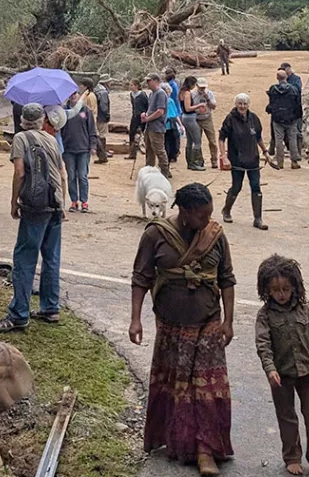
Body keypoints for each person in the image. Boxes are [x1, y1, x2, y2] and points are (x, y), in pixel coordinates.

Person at [129, 183, 236, 476]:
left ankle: (205, 451)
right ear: (185, 213)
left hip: (208, 324)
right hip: (171, 328)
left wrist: (228, 321)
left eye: (209, 214)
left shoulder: (215, 236)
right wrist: (135, 319)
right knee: (178, 388)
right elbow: (141, 277)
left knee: (206, 390)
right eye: (202, 216)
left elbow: (226, 278)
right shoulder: (155, 235)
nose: (207, 221)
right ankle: (177, 442)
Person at [254, 255, 309, 477]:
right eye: (275, 290)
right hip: (281, 376)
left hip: (307, 373)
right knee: (287, 417)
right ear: (267, 290)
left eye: (285, 288)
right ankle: (292, 457)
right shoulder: (265, 315)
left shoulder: (305, 311)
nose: (281, 294)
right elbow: (263, 345)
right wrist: (270, 369)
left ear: (295, 286)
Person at [0, 103, 67, 333]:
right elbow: (62, 172)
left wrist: (14, 202)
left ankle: (19, 313)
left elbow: (20, 172)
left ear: (23, 120)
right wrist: (64, 202)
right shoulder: (51, 139)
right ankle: (50, 307)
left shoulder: (21, 139)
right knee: (51, 256)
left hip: (35, 206)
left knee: (24, 257)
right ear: (42, 119)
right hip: (54, 201)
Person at [219, 93, 270, 230]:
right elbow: (222, 138)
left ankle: (258, 219)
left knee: (256, 187)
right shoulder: (230, 119)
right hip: (236, 160)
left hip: (253, 159)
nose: (242, 106)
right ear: (236, 105)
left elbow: (258, 138)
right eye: (240, 103)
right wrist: (224, 156)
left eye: (245, 104)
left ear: (248, 105)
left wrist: (266, 152)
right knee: (237, 186)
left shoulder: (254, 118)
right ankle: (227, 210)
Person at [61, 91, 97, 213]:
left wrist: (93, 146)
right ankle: (74, 201)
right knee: (71, 176)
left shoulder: (86, 110)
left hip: (83, 148)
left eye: (75, 93)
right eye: (70, 93)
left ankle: (84, 201)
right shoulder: (63, 111)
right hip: (68, 148)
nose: (73, 95)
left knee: (82, 176)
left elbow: (92, 129)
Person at [266, 70, 303, 170]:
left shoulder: (273, 89)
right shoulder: (294, 89)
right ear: (286, 77)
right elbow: (298, 104)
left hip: (278, 118)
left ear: (277, 78)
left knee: (279, 140)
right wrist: (298, 116)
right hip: (291, 118)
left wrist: (271, 111)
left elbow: (271, 103)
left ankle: (280, 162)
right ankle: (294, 161)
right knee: (292, 139)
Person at [142, 74, 171, 178]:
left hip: (157, 127)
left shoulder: (160, 94)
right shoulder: (152, 94)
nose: (147, 83)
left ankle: (165, 172)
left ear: (155, 81)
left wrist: (148, 118)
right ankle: (149, 171)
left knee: (159, 150)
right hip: (149, 127)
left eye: (149, 81)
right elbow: (151, 110)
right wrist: (145, 114)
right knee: (149, 150)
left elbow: (160, 111)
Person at [179, 76, 206, 171]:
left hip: (185, 117)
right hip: (189, 117)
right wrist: (199, 105)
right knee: (197, 140)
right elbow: (188, 108)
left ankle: (190, 162)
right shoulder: (187, 93)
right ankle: (195, 162)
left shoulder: (181, 92)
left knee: (190, 141)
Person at [163, 68, 181, 164]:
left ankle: (172, 155)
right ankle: (172, 155)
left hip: (171, 118)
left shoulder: (172, 85)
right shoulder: (174, 84)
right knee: (172, 139)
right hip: (172, 118)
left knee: (171, 140)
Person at [128, 79, 149, 160]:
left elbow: (147, 105)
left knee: (144, 134)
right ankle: (132, 153)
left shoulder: (142, 95)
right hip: (135, 116)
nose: (130, 87)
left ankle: (148, 151)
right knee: (132, 133)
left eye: (132, 85)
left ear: (136, 86)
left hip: (142, 116)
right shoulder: (131, 94)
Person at [93, 77, 112, 164]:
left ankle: (102, 153)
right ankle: (102, 154)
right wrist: (107, 115)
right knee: (102, 135)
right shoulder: (103, 91)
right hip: (101, 116)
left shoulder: (96, 89)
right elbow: (104, 106)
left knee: (99, 134)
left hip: (97, 115)